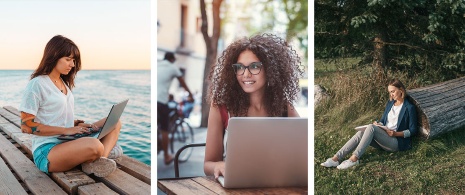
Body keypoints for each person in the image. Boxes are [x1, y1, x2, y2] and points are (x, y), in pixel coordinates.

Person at [19, 35, 123, 177]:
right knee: (95, 145)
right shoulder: (37, 84)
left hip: (68, 140)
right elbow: (26, 126)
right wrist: (67, 129)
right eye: (68, 59)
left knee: (114, 122)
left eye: (74, 60)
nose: (72, 65)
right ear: (54, 56)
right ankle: (99, 154)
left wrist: (75, 125)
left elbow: (52, 116)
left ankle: (99, 160)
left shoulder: (63, 83)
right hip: (48, 150)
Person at [203, 33, 303, 179]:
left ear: (269, 70)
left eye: (254, 66)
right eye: (240, 67)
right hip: (237, 183)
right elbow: (208, 164)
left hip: (277, 180)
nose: (246, 74)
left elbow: (304, 146)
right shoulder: (221, 107)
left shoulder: (283, 106)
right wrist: (219, 166)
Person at [320, 79, 418, 169]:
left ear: (401, 90)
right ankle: (336, 158)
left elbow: (413, 130)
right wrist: (378, 123)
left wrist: (396, 134)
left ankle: (354, 159)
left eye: (393, 91)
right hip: (385, 138)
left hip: (396, 142)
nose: (391, 95)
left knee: (371, 128)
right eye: (389, 92)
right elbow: (384, 120)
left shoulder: (409, 107)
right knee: (361, 133)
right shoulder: (390, 103)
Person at [157, 52, 193, 165]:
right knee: (164, 128)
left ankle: (158, 144)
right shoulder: (173, 67)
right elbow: (182, 82)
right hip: (161, 101)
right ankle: (167, 156)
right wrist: (190, 94)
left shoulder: (158, 65)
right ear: (172, 59)